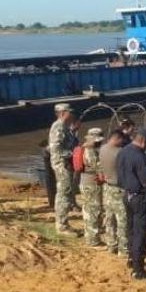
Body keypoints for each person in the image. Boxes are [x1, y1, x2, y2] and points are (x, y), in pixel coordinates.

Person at [116, 128, 146, 279]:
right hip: (140, 197)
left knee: (131, 229)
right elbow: (145, 180)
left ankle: (132, 259)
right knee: (140, 232)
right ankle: (138, 269)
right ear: (143, 141)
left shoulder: (123, 151)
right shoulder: (140, 156)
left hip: (127, 195)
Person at [48, 104, 78, 235]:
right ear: (62, 113)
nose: (72, 115)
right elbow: (56, 148)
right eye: (69, 112)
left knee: (66, 192)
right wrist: (73, 155)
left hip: (65, 163)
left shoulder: (65, 127)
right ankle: (62, 226)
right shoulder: (58, 126)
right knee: (63, 193)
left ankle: (63, 223)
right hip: (62, 164)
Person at [99, 129, 127, 257]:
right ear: (117, 138)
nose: (123, 143)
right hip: (118, 189)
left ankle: (111, 245)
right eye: (122, 140)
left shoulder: (102, 149)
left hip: (107, 188)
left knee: (109, 218)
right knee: (122, 219)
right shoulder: (120, 153)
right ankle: (123, 249)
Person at [79, 127, 104, 247]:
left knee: (88, 210)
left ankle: (89, 237)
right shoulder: (91, 150)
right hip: (91, 184)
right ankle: (93, 241)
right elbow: (98, 167)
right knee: (94, 211)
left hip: (85, 183)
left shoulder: (85, 148)